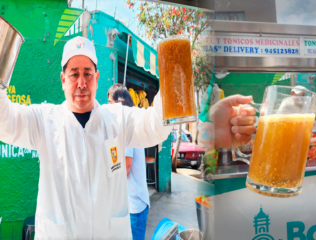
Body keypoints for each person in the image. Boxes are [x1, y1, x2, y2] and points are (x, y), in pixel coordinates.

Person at [0, 36, 255, 239]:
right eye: (74, 74)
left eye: (87, 73)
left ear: (97, 78)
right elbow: (5, 121)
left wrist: (174, 77)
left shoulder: (117, 119)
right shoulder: (44, 120)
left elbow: (155, 125)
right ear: (63, 80)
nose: (81, 82)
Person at [107, 84, 149, 240]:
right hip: (131, 204)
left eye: (110, 103)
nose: (107, 107)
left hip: (135, 206)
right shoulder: (125, 125)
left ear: (119, 104)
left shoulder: (127, 127)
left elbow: (126, 166)